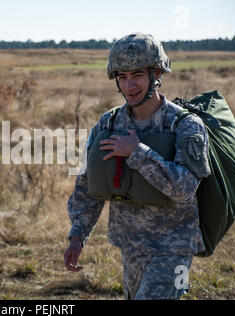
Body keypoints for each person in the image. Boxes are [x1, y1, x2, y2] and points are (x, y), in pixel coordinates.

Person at [63, 32, 211, 300]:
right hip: (130, 245)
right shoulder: (108, 125)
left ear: (156, 74)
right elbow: (87, 185)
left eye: (137, 75)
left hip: (174, 249)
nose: (129, 85)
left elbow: (184, 188)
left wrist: (137, 152)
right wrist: (77, 236)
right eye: (122, 77)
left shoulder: (186, 126)